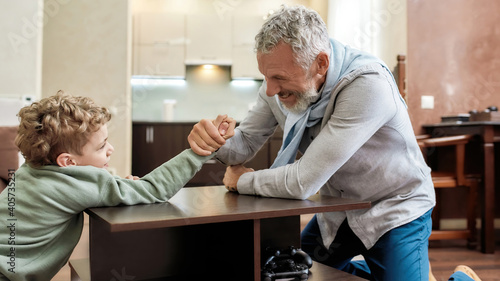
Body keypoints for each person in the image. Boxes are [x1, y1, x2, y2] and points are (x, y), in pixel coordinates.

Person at [188, 4, 438, 281]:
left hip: (395, 208)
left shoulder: (367, 84)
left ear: (321, 64)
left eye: (279, 78)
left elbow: (303, 182)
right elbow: (245, 143)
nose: (270, 90)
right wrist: (215, 141)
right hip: (339, 209)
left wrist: (241, 181)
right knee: (285, 271)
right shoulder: (277, 86)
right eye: (266, 76)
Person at [0, 91, 235, 281]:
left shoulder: (29, 172)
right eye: (102, 146)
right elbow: (154, 190)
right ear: (68, 162)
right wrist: (198, 153)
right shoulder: (78, 184)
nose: (110, 149)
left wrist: (119, 185)